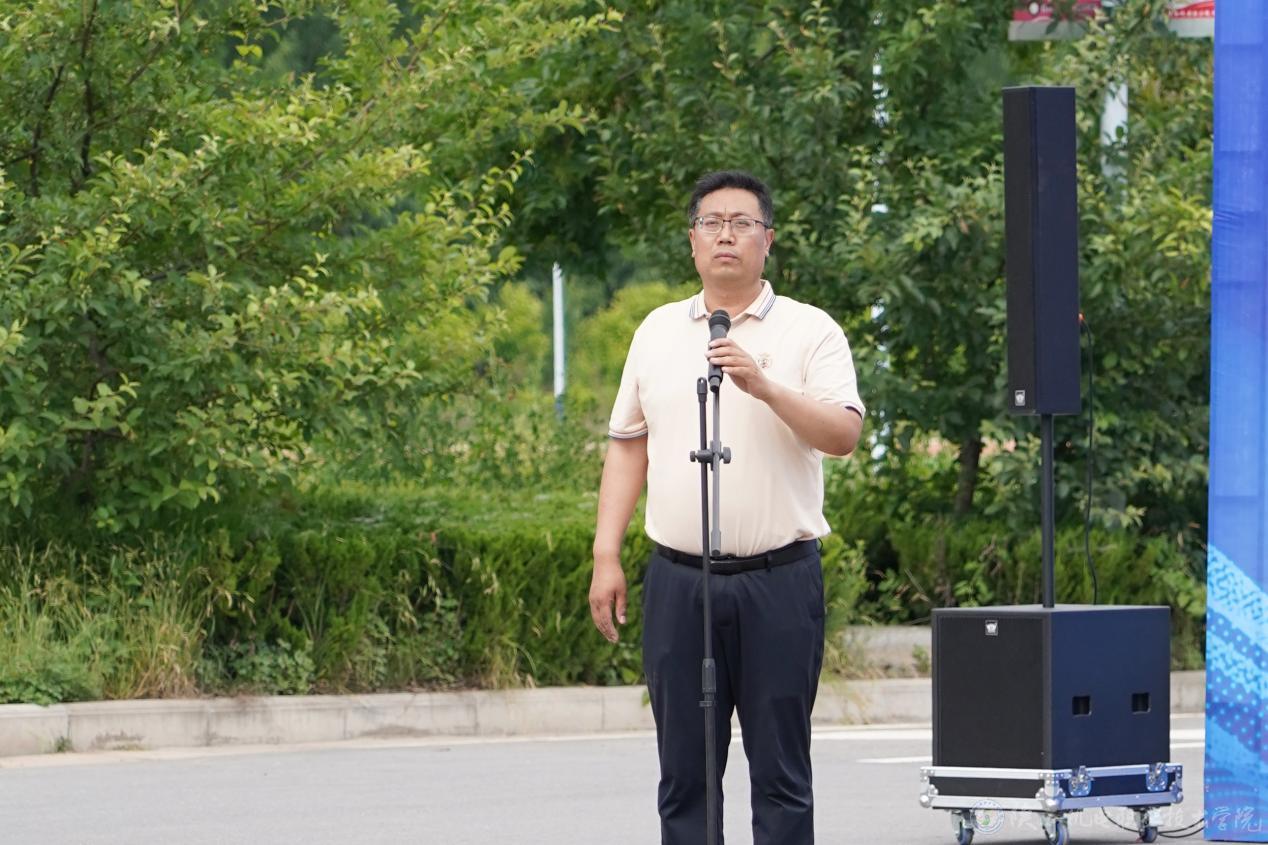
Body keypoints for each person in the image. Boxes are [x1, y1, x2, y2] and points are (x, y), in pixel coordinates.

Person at [588, 170, 866, 844]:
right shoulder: (657, 331)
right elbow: (628, 445)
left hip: (779, 581)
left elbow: (843, 435)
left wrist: (765, 386)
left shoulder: (810, 330)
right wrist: (606, 554)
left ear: (767, 240)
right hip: (681, 582)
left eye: (742, 223)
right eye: (711, 223)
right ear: (692, 241)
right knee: (684, 776)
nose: (726, 236)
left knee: (780, 774)